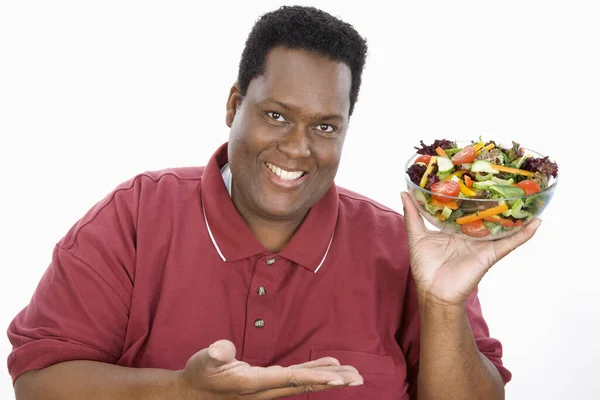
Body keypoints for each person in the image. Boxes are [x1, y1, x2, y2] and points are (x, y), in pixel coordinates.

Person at [7, 5, 540, 399]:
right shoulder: (135, 217)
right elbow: (36, 382)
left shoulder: (403, 246)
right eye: (277, 115)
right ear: (235, 105)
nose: (297, 148)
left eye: (325, 126)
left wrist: (443, 308)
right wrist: (183, 390)